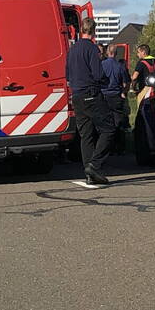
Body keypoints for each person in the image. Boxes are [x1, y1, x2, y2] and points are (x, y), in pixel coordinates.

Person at [65, 18, 115, 185]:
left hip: (77, 95)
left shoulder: (72, 50)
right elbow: (98, 74)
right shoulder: (92, 49)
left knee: (86, 135)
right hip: (91, 93)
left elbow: (67, 75)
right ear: (94, 31)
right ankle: (95, 164)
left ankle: (89, 173)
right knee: (108, 129)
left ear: (81, 30)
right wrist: (106, 82)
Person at [101, 45, 131, 153]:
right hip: (116, 96)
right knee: (118, 122)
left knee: (105, 123)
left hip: (104, 96)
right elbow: (127, 82)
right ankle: (119, 147)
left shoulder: (102, 65)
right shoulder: (120, 66)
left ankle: (107, 147)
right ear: (116, 53)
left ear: (107, 52)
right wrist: (124, 92)